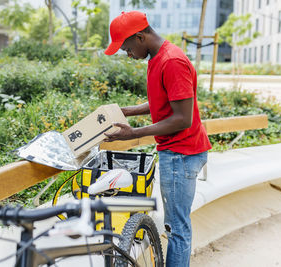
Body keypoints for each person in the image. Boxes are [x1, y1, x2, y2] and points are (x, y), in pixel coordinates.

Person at [103, 11, 212, 267]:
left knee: (176, 229)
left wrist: (134, 133)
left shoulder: (171, 61)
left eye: (127, 49)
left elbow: (182, 118)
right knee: (176, 225)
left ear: (140, 37)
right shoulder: (157, 57)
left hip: (181, 154)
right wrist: (128, 111)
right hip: (179, 151)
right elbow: (163, 101)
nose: (128, 56)